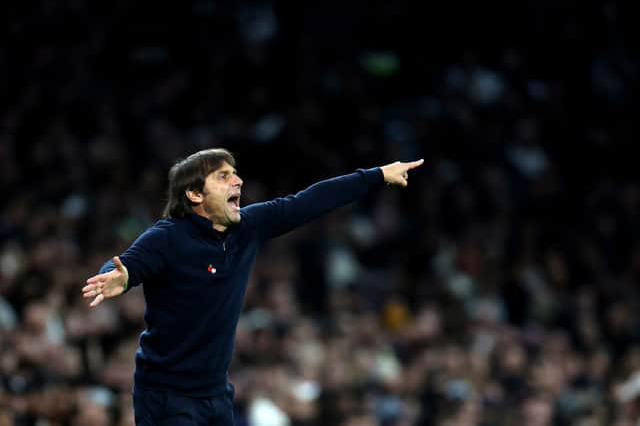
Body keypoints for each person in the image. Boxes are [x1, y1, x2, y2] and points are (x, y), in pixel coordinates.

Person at [82, 148, 424, 426]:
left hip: (216, 393)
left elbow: (309, 201)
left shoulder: (248, 227)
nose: (238, 181)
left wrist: (376, 175)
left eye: (236, 173)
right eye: (224, 176)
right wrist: (118, 279)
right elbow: (126, 266)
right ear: (195, 193)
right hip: (166, 395)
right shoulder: (167, 237)